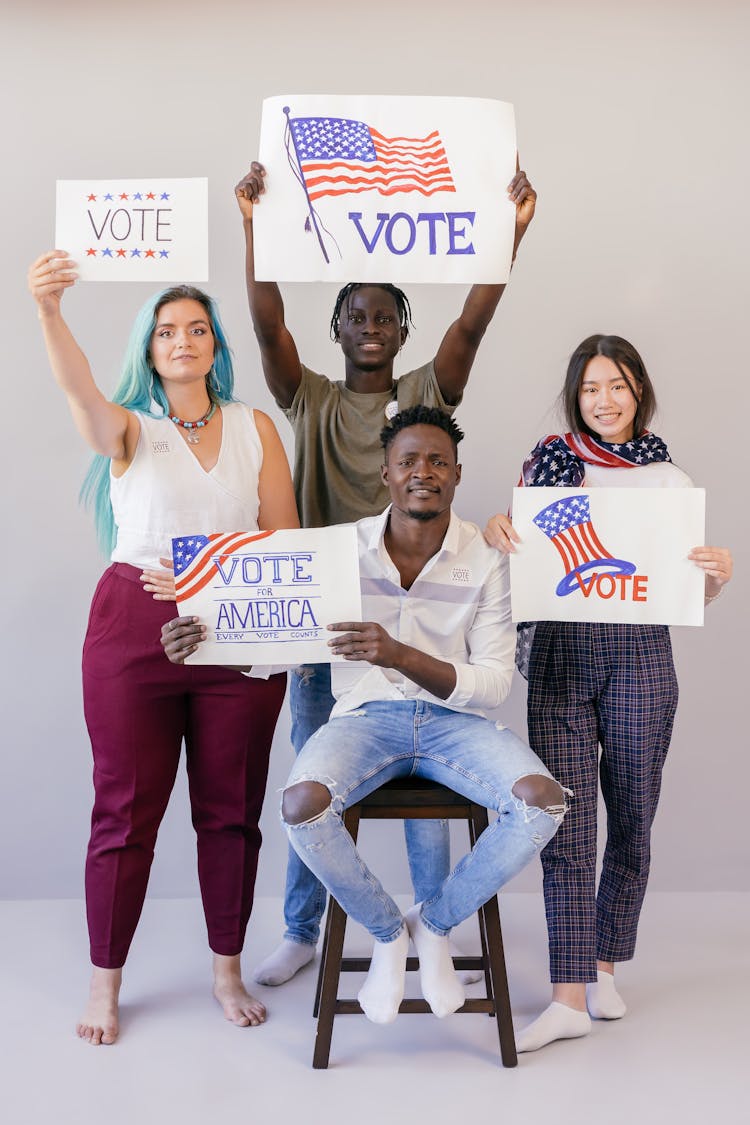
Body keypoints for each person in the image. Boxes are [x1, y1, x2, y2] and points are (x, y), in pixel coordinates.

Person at [233, 158, 538, 987]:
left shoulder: (420, 394)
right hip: (326, 617)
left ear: (402, 332)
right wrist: (255, 224)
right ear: (338, 329)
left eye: (385, 316)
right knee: (315, 764)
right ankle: (302, 927)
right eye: (356, 315)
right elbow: (266, 328)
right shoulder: (314, 398)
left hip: (419, 608)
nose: (371, 325)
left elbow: (470, 330)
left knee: (425, 753)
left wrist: (510, 232)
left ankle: (432, 926)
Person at [163, 406, 568, 1025]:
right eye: (408, 461)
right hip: (363, 720)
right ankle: (387, 933)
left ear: (458, 473)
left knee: (543, 800)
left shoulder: (487, 562)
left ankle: (434, 923)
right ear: (385, 473)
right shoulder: (338, 553)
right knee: (300, 805)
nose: (422, 472)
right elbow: (275, 641)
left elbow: (492, 683)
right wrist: (205, 639)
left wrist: (400, 653)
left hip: (452, 722)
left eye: (437, 461)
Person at [28, 251, 299, 1045]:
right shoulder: (129, 427)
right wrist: (49, 311)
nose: (183, 340)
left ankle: (226, 970)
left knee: (232, 813)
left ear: (217, 345)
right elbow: (79, 391)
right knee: (125, 811)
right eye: (167, 331)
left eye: (198, 329)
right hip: (134, 626)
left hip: (237, 627)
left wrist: (218, 589)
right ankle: (104, 983)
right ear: (149, 348)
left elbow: (281, 538)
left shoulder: (256, 427)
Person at [484, 334, 733, 1052]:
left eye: (617, 385)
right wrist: (503, 528)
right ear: (576, 395)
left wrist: (715, 577)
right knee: (563, 821)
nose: (605, 400)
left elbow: (684, 595)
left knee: (632, 816)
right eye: (592, 387)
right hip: (564, 650)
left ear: (639, 391)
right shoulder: (547, 467)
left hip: (641, 656)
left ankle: (602, 964)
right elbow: (522, 567)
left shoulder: (669, 481)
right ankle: (566, 995)